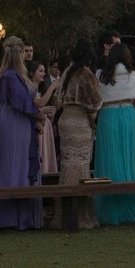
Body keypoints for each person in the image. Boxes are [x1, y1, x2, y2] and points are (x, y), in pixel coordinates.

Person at [0, 37, 44, 231]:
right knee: (13, 163)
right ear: (18, 54)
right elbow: (22, 102)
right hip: (13, 122)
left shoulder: (16, 75)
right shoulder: (9, 76)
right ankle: (7, 217)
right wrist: (40, 115)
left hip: (21, 122)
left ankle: (21, 215)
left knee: (21, 163)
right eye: (23, 52)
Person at [94, 44, 135, 226]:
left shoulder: (101, 75)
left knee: (108, 156)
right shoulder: (132, 75)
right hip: (126, 114)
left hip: (107, 114)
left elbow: (96, 98)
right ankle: (126, 205)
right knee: (127, 157)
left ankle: (107, 208)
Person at [52, 40, 102, 229]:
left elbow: (58, 98)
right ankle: (80, 216)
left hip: (65, 119)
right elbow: (95, 102)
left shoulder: (67, 71)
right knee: (80, 164)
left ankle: (63, 215)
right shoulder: (86, 74)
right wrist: (93, 121)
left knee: (67, 164)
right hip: (80, 121)